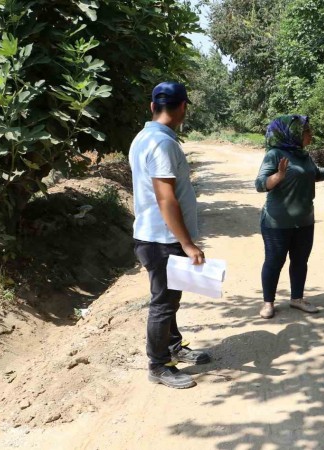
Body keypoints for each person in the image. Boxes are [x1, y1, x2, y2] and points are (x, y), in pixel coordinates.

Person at [129, 81, 210, 389]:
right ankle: (158, 365)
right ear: (183, 108)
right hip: (162, 239)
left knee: (170, 298)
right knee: (164, 303)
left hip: (154, 235)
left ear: (153, 106)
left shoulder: (143, 137)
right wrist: (187, 243)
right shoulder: (162, 143)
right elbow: (166, 197)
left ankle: (173, 346)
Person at [255, 115, 324, 319]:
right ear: (292, 133)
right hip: (277, 222)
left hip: (304, 220)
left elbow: (316, 174)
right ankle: (268, 303)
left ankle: (297, 299)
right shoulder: (275, 154)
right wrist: (278, 176)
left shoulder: (303, 155)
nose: (311, 134)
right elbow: (260, 184)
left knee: (300, 261)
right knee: (274, 261)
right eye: (307, 131)